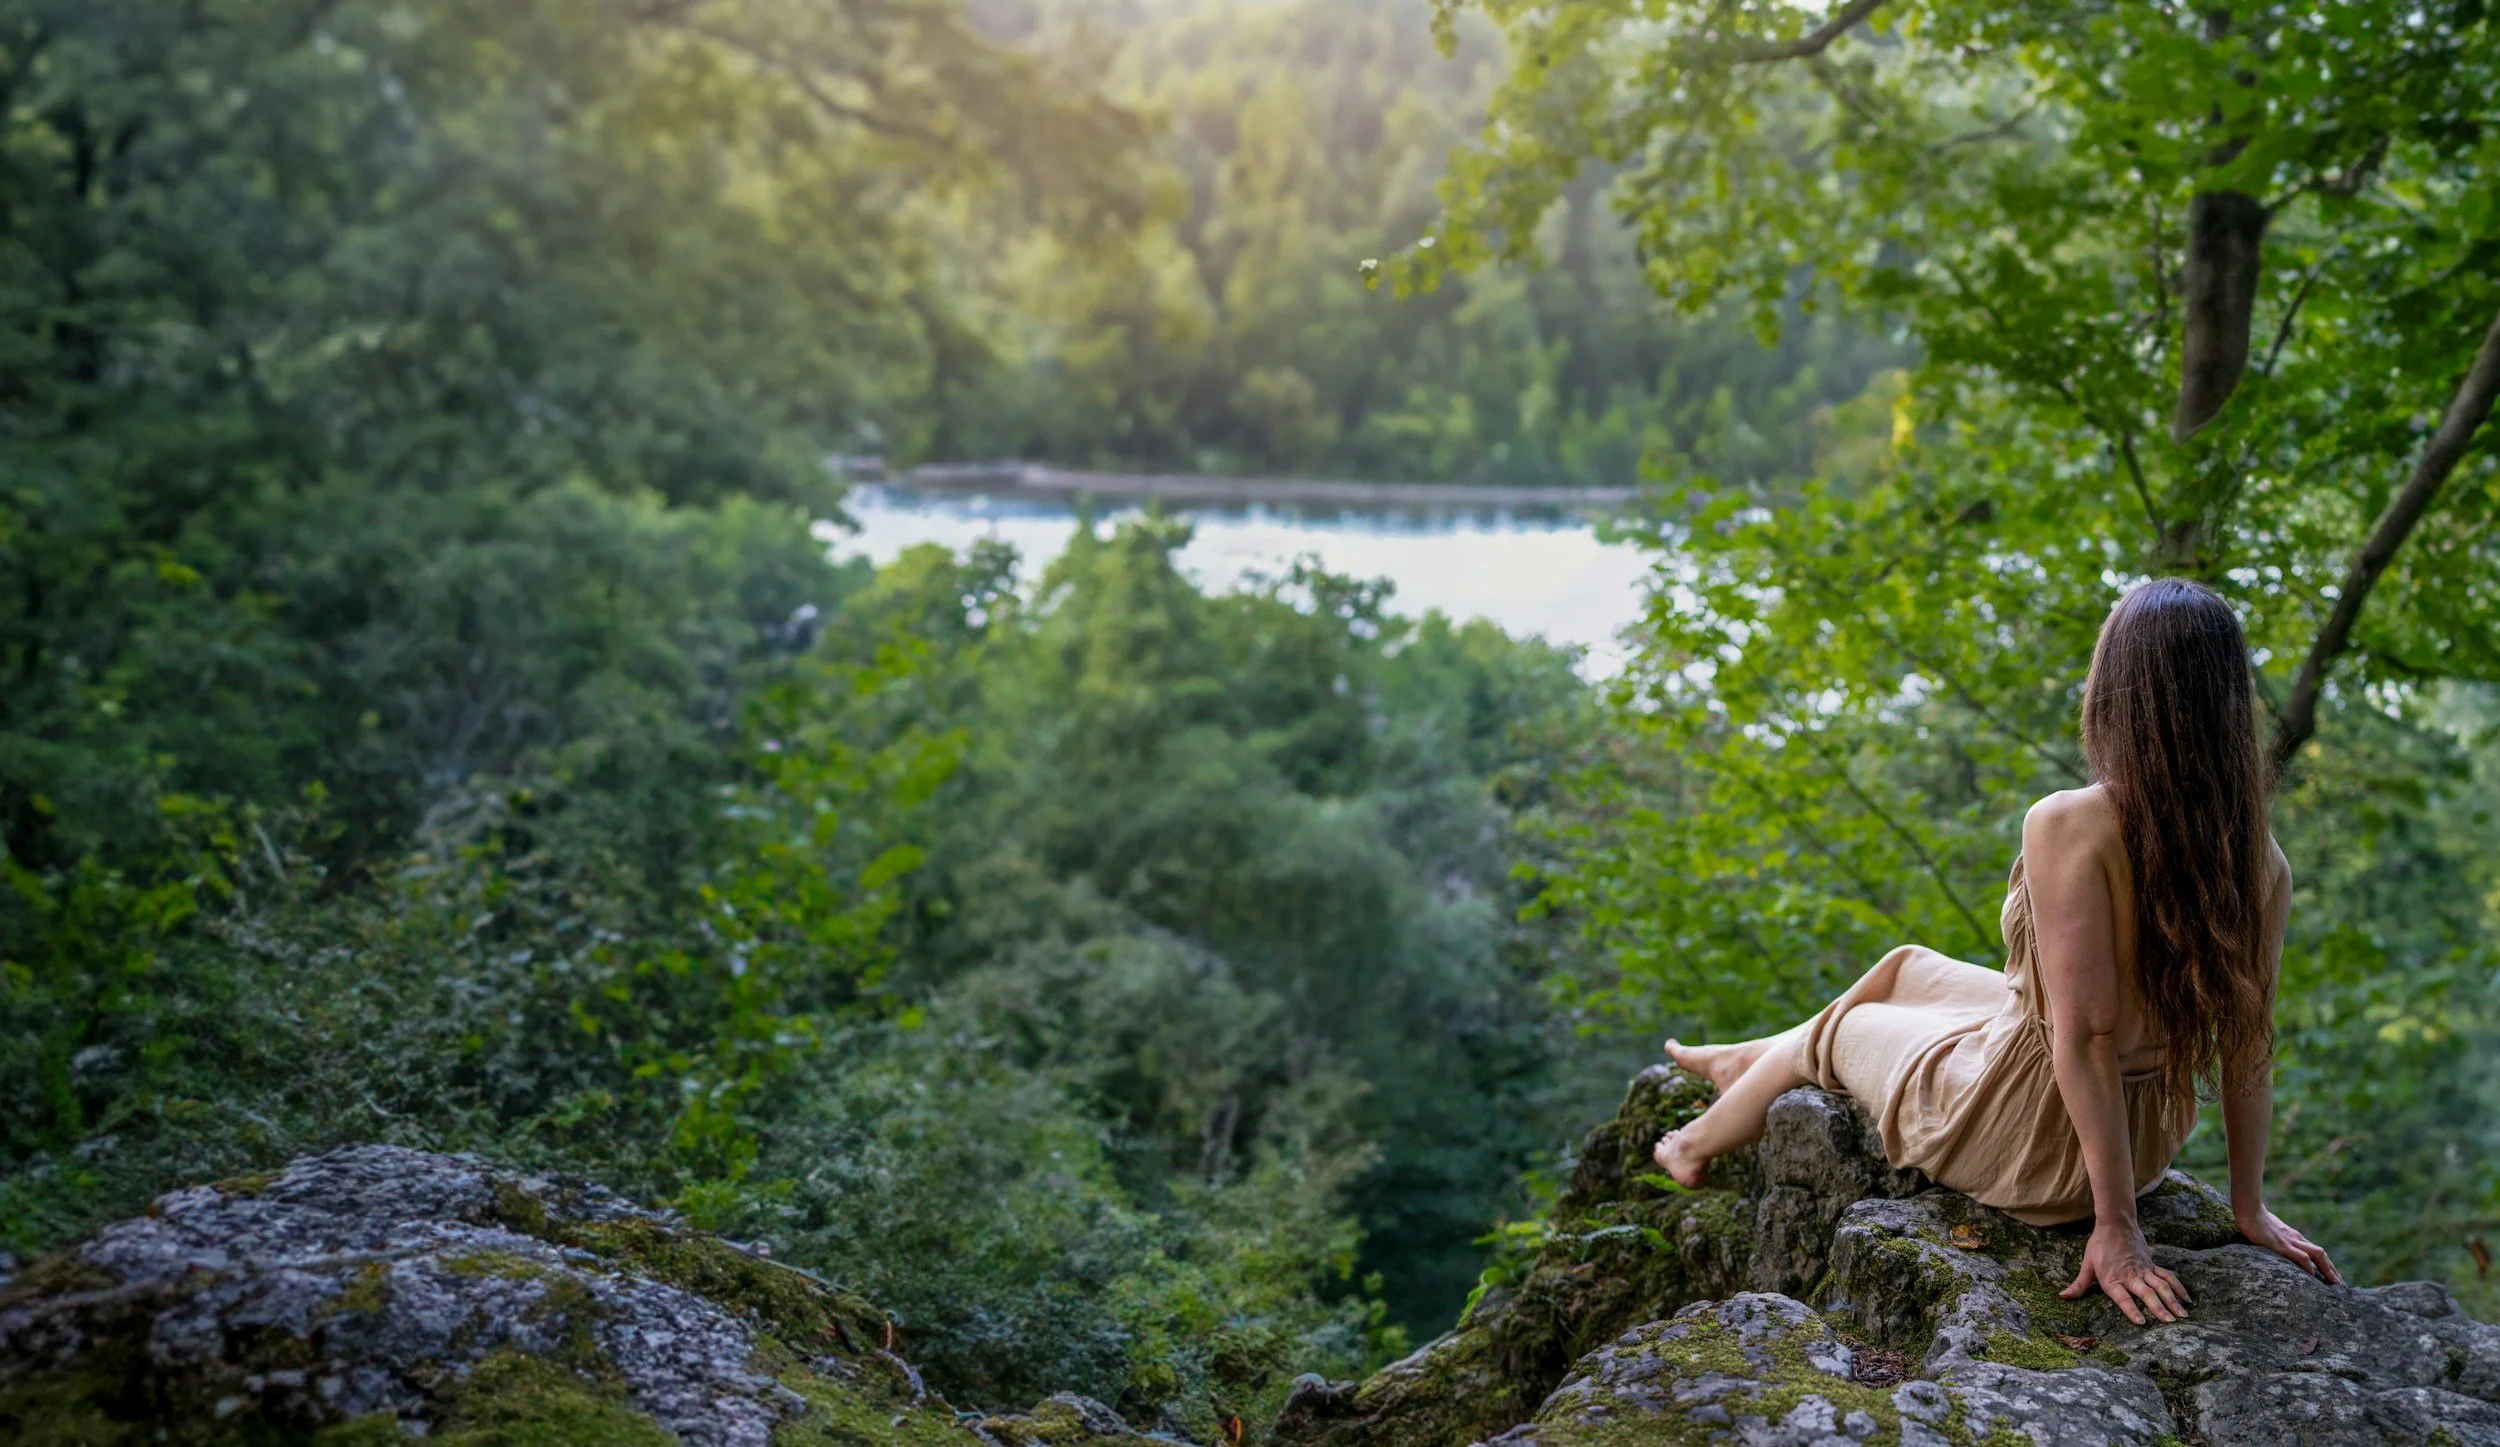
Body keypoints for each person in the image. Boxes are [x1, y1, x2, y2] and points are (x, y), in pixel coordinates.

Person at [1649, 578, 2342, 1326]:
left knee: (1843, 1029)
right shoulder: (2259, 857)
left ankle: (1691, 1142)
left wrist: (2117, 1227)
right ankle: (1740, 1060)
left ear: (2120, 693)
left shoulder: (2072, 822)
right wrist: (2249, 1205)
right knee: (1908, 967)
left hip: (2039, 1139)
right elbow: (2249, 1047)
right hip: (2141, 1139)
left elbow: (2087, 1034)